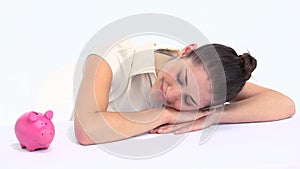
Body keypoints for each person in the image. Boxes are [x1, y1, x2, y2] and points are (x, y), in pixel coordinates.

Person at [74, 41, 295, 145]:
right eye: (181, 77)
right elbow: (85, 130)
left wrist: (213, 116)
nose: (171, 93)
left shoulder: (208, 85)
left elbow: (284, 104)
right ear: (186, 51)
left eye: (188, 99)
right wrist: (167, 115)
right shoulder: (111, 57)